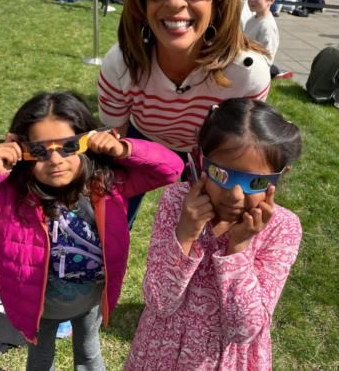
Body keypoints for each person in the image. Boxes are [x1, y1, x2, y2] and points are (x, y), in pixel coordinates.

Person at [0, 91, 183, 371]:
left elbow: (170, 169)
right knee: (40, 360)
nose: (56, 160)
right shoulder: (9, 200)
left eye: (68, 146)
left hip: (92, 298)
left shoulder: (107, 184)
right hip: (38, 308)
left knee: (89, 354)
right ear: (21, 151)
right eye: (39, 151)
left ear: (87, 142)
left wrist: (125, 149)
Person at [97, 0, 271, 224]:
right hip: (140, 138)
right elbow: (113, 144)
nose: (175, 2)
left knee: (207, 234)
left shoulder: (248, 74)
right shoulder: (120, 64)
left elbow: (238, 155)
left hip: (205, 152)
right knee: (107, 221)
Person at [125, 98, 303, 370]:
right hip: (160, 352)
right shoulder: (176, 201)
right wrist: (185, 232)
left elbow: (244, 329)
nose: (235, 195)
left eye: (255, 182)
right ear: (199, 159)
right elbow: (157, 301)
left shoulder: (283, 228)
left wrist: (239, 248)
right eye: (221, 174)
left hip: (225, 361)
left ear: (279, 176)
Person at [244, 0, 292, 80]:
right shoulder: (252, 20)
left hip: (253, 71)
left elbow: (267, 58)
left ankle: (274, 74)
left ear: (271, 0)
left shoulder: (267, 26)